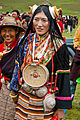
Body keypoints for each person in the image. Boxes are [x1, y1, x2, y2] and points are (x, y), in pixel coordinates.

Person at [10, 5, 72, 120]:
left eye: (44, 20)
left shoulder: (59, 46)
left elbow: (63, 77)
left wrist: (60, 108)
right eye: (36, 19)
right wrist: (14, 90)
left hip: (44, 101)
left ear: (51, 22)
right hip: (24, 95)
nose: (39, 24)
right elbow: (17, 67)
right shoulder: (26, 41)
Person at [0, 16, 25, 120]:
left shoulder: (21, 47)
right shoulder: (0, 47)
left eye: (10, 30)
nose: (7, 34)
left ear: (16, 31)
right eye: (4, 31)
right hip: (2, 88)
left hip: (16, 89)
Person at [69, 25, 80, 97]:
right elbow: (76, 39)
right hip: (79, 57)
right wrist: (77, 46)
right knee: (72, 80)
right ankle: (69, 100)